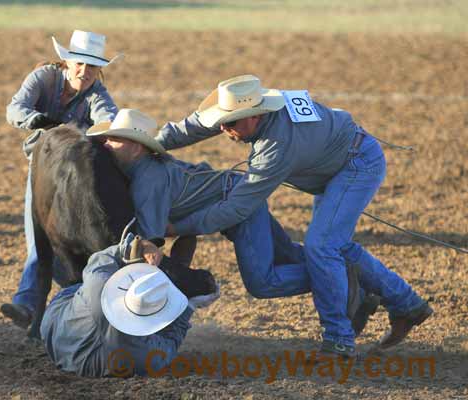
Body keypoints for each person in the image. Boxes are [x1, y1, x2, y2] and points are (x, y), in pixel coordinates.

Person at [149, 75, 432, 357]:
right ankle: (406, 305)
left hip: (355, 165)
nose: (224, 128)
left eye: (231, 123)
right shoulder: (257, 110)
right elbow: (195, 126)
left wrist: (178, 226)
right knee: (333, 246)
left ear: (255, 116)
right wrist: (148, 144)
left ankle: (339, 339)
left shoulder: (276, 147)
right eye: (222, 120)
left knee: (323, 246)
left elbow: (237, 207)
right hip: (340, 158)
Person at [86, 108, 390, 350]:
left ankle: (344, 279)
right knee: (294, 259)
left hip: (239, 209)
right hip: (241, 198)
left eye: (115, 139)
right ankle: (351, 283)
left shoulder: (145, 180)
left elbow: (152, 241)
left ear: (137, 148)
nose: (107, 144)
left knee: (263, 282)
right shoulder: (147, 169)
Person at [2, 30, 120, 328]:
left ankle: (56, 301)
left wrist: (114, 132)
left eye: (92, 67)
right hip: (42, 169)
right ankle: (26, 304)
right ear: (66, 62)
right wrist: (35, 121)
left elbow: (109, 119)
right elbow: (15, 109)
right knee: (39, 240)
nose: (85, 71)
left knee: (70, 235)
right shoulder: (44, 78)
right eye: (80, 64)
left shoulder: (97, 94)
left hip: (74, 174)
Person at [39, 233, 220, 377]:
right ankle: (171, 276)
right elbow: (171, 342)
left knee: (79, 287)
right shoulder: (144, 356)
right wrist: (189, 307)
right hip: (61, 345)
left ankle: (140, 268)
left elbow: (100, 260)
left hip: (54, 327)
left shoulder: (99, 286)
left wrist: (140, 245)